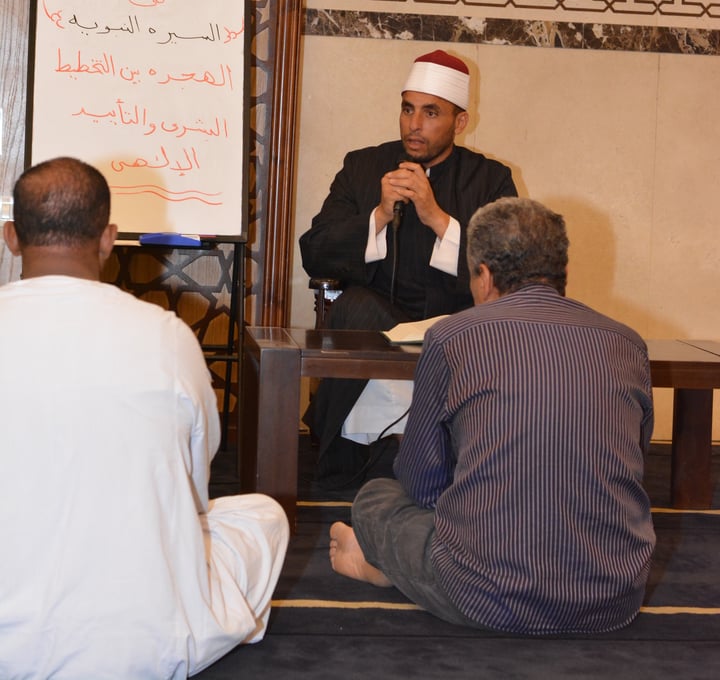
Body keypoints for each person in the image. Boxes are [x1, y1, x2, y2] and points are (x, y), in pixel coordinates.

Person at [0, 157, 289, 679]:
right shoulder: (165, 334)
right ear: (110, 238)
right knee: (261, 518)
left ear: (11, 238)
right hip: (139, 648)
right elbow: (193, 481)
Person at [329, 197, 656, 636]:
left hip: (487, 594)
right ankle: (398, 566)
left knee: (377, 496)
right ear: (563, 273)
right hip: (613, 597)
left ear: (483, 275)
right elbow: (632, 464)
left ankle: (386, 566)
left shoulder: (450, 337)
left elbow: (423, 484)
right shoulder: (628, 343)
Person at [300, 48, 517, 482]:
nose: (414, 125)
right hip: (376, 328)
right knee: (356, 308)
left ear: (459, 122)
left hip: (453, 332)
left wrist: (437, 217)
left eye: (431, 113)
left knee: (461, 335)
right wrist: (379, 214)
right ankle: (408, 448)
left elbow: (507, 275)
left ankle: (400, 447)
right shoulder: (362, 166)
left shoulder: (491, 179)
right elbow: (315, 253)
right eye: (407, 109)